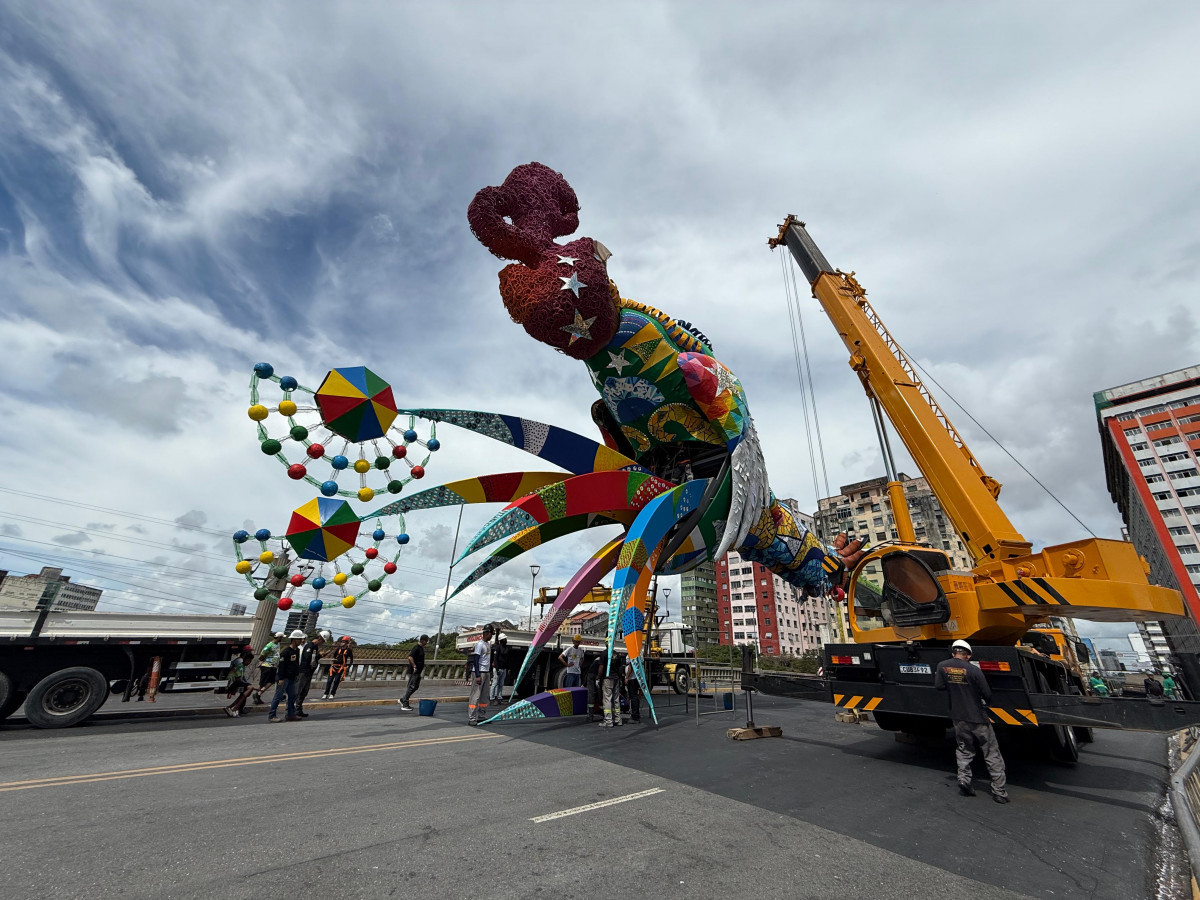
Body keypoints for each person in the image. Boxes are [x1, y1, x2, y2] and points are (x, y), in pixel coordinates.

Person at [934, 639, 1009, 804]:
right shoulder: (973, 670)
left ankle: (964, 780)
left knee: (964, 749)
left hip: (958, 717)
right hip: (977, 718)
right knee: (991, 752)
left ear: (954, 652)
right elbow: (987, 693)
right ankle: (999, 792)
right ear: (968, 655)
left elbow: (938, 686)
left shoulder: (942, 666)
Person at [268, 630, 305, 723]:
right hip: (284, 678)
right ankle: (272, 716)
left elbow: (296, 664)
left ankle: (290, 714)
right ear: (295, 640)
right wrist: (280, 678)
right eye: (300, 639)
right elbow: (281, 666)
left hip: (292, 678)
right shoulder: (286, 652)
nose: (301, 641)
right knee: (278, 696)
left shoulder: (297, 650)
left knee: (292, 696)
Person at [295, 632, 325, 717]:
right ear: (319, 639)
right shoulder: (309, 646)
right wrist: (318, 655)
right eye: (322, 641)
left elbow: (313, 659)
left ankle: (299, 709)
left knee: (304, 692)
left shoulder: (314, 647)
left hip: (309, 672)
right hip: (304, 672)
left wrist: (319, 656)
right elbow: (308, 658)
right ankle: (292, 710)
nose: (322, 644)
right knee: (298, 691)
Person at [468, 624, 494, 725]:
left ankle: (481, 716)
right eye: (491, 634)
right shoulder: (480, 644)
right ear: (487, 633)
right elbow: (476, 660)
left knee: (484, 696)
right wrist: (478, 675)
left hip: (486, 672)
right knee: (475, 696)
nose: (491, 636)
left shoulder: (488, 644)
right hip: (479, 673)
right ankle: (472, 718)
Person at [398, 634, 429, 711]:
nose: (427, 642)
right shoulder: (416, 648)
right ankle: (404, 703)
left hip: (418, 671)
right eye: (426, 641)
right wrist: (414, 666)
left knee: (415, 687)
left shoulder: (421, 648)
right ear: (423, 640)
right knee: (411, 686)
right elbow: (410, 657)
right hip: (414, 671)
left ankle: (403, 699)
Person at [252, 632, 285, 704]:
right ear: (279, 637)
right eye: (281, 638)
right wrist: (261, 660)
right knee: (263, 682)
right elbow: (262, 654)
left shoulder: (278, 644)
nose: (282, 639)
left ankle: (259, 694)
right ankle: (258, 694)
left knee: (271, 681)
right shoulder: (269, 645)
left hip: (273, 666)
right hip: (267, 665)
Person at [223, 647, 256, 718]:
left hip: (233, 681)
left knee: (248, 689)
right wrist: (247, 684)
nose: (249, 663)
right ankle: (235, 708)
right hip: (232, 682)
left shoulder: (239, 661)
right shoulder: (240, 665)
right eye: (248, 661)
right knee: (250, 688)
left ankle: (232, 707)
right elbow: (239, 679)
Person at [599, 656, 624, 728]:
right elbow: (620, 668)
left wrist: (598, 677)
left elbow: (601, 667)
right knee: (616, 699)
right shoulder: (616, 654)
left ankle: (608, 721)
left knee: (607, 699)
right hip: (616, 678)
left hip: (608, 678)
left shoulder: (604, 654)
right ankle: (618, 719)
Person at [490, 634, 510, 704]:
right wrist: (497, 668)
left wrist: (507, 668)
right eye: (504, 639)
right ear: (502, 640)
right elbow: (495, 658)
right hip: (497, 668)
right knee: (494, 683)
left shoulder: (506, 648)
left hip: (503, 668)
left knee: (501, 684)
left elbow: (507, 659)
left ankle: (499, 698)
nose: (506, 640)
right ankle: (492, 698)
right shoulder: (498, 647)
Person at [585, 653, 604, 722]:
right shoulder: (606, 657)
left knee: (592, 694)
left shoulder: (600, 657)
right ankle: (602, 713)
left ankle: (590, 716)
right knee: (599, 694)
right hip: (595, 675)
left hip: (592, 675)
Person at [625, 657, 642, 723]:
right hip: (635, 678)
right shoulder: (637, 654)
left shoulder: (632, 654)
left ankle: (635, 716)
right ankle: (636, 714)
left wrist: (627, 677)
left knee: (633, 697)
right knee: (635, 697)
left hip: (632, 678)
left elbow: (631, 666)